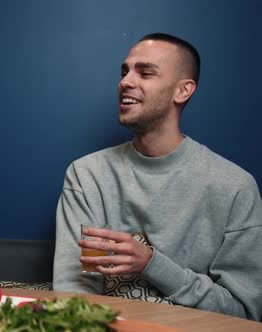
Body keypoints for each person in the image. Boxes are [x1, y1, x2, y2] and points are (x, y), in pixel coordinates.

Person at [53, 33, 262, 321]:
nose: (125, 81)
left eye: (145, 73)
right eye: (125, 71)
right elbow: (75, 293)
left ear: (183, 90)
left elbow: (244, 313)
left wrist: (152, 263)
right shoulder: (88, 175)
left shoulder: (235, 188)